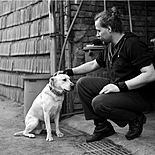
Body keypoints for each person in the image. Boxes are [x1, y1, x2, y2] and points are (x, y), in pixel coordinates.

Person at [61, 7, 155, 142]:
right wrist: (69, 71)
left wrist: (120, 87)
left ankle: (135, 119)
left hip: (139, 94)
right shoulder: (111, 45)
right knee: (83, 84)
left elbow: (150, 74)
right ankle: (102, 127)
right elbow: (94, 64)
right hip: (121, 88)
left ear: (109, 29)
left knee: (99, 103)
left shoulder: (132, 44)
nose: (97, 35)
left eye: (99, 30)